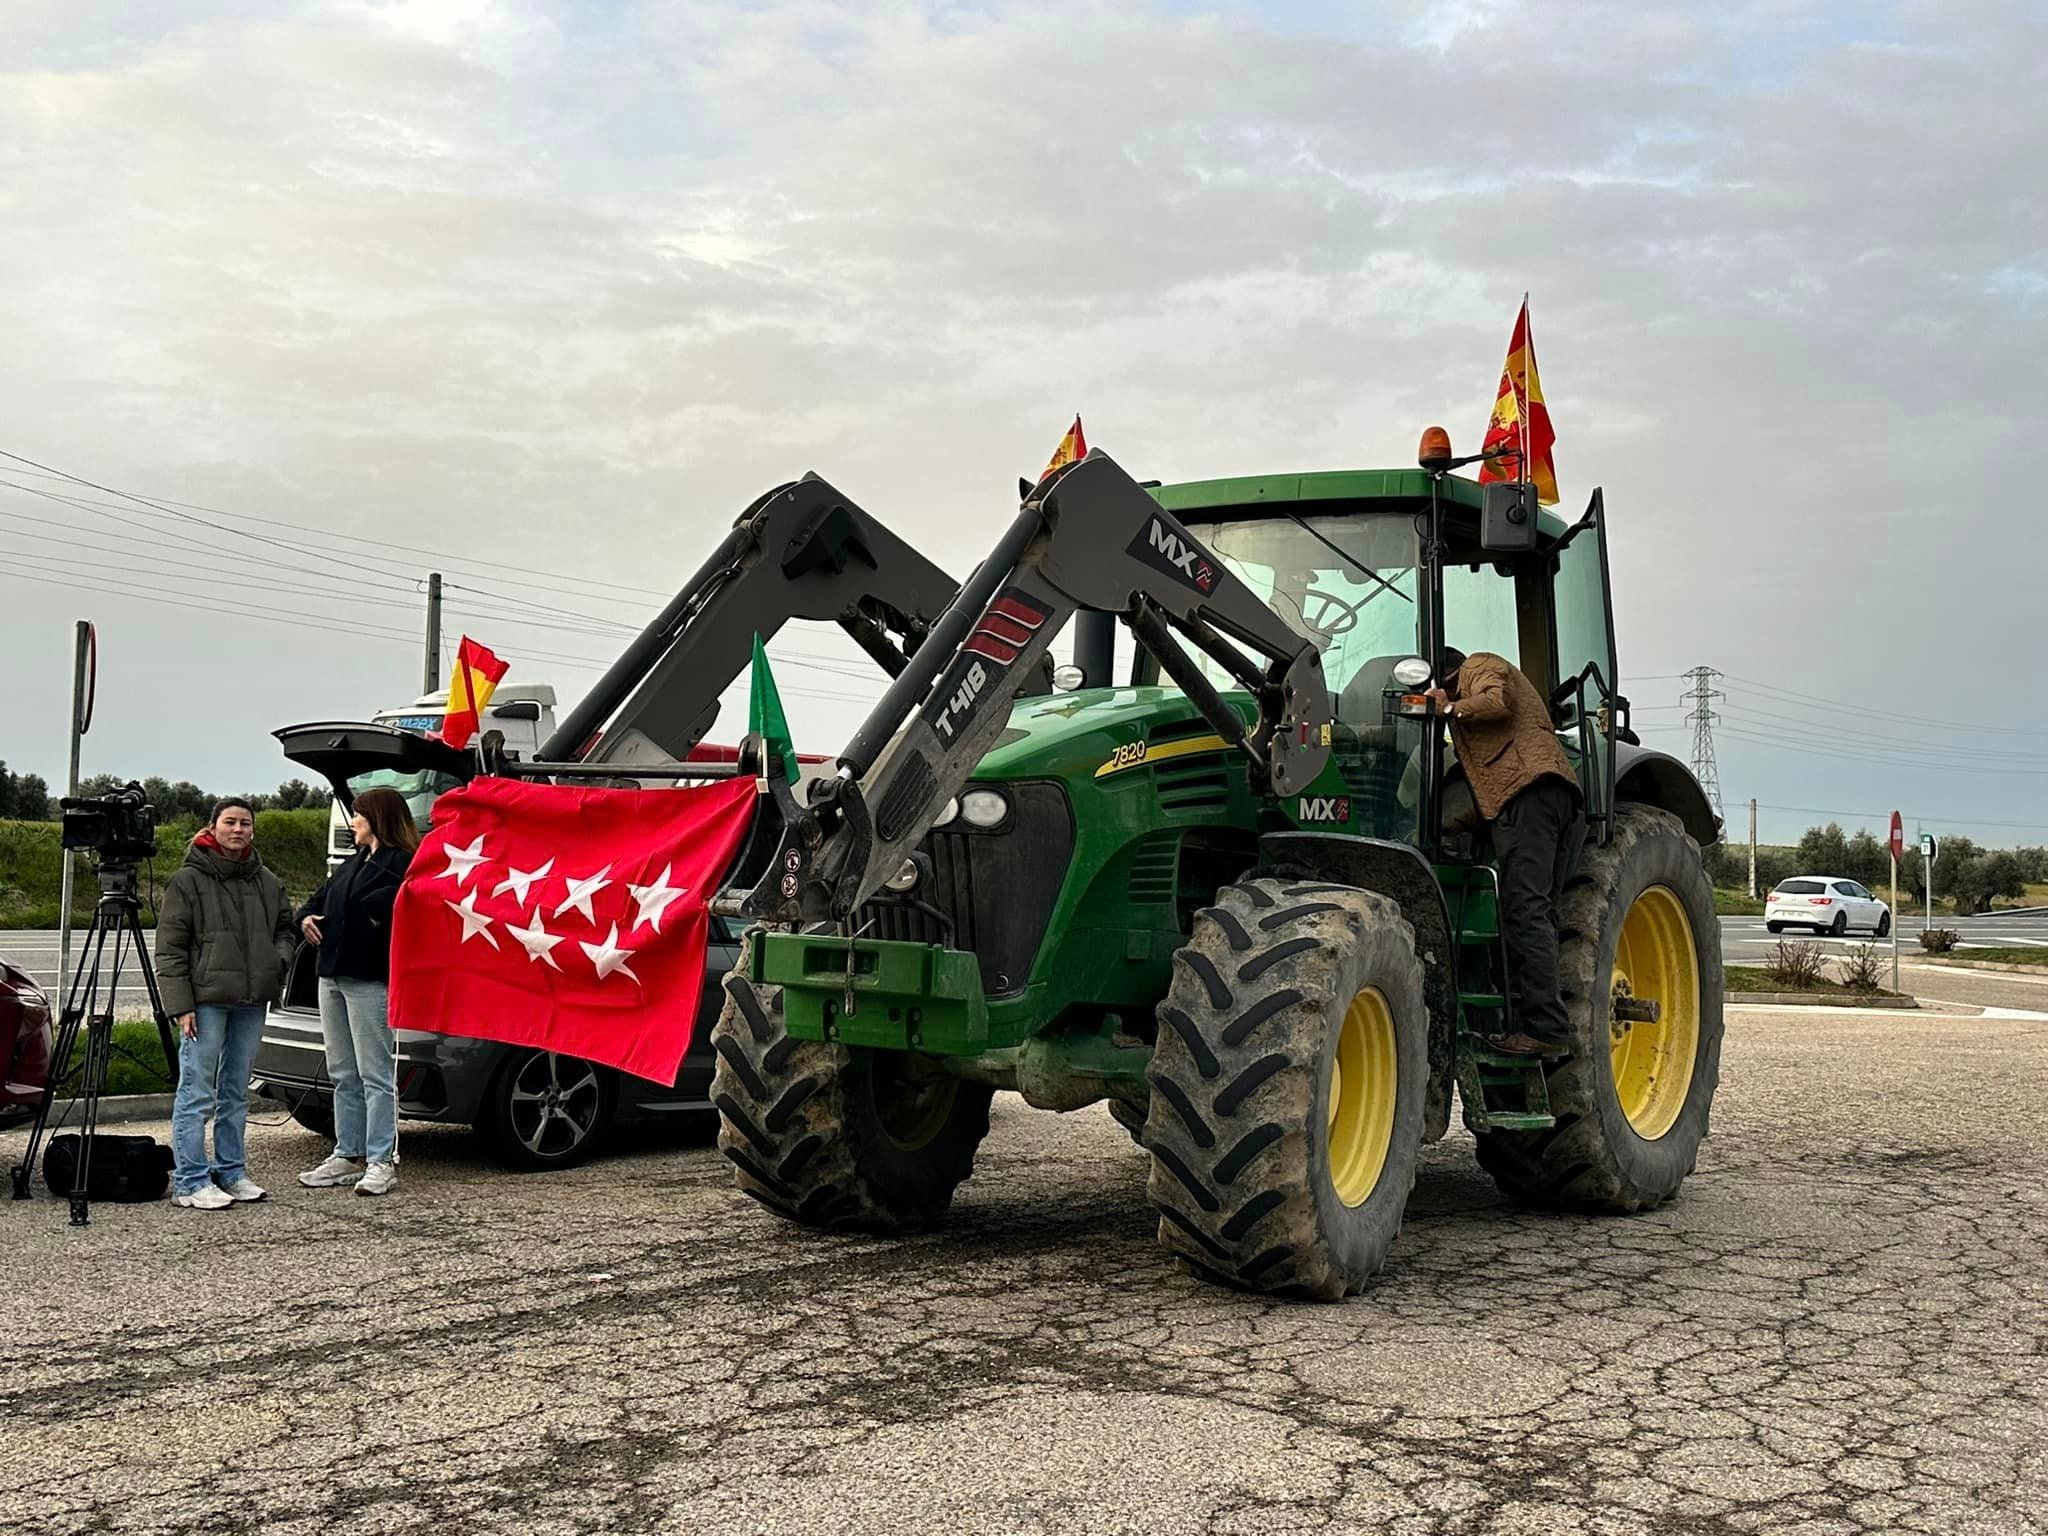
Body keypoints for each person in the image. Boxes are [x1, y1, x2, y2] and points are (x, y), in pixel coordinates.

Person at [1426, 648, 1586, 1058]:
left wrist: (1449, 708)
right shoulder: (1475, 729)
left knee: (1527, 909)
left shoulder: (1479, 665)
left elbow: (1494, 703)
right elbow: (1482, 788)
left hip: (1530, 793)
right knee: (1534, 909)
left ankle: (1546, 1030)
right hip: (1526, 796)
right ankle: (1534, 1022)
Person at [156, 798, 297, 1210]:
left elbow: (285, 929)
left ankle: (231, 1171)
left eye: (245, 823)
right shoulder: (187, 881)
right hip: (205, 1003)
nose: (238, 829)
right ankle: (191, 1180)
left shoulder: (267, 881)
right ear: (213, 826)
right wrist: (181, 1005)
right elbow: (170, 949)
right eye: (230, 822)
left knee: (235, 1092)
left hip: (252, 1002)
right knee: (197, 1091)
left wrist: (278, 962)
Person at [294, 786, 418, 1196]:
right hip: (331, 976)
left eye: (358, 815)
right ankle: (347, 1153)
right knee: (343, 1071)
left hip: (369, 979)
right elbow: (317, 899)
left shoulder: (402, 864)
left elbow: (395, 913)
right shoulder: (353, 862)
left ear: (377, 818)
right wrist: (305, 916)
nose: (353, 822)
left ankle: (381, 1159)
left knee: (375, 1074)